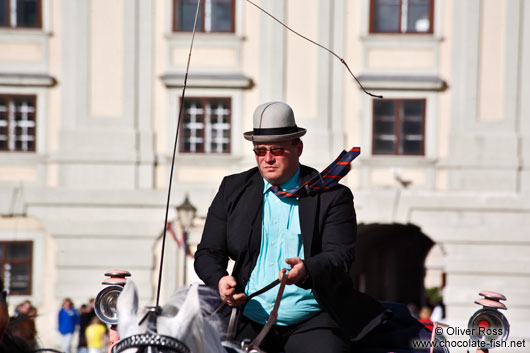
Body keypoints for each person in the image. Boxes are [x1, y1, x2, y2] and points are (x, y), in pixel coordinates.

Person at [194, 102, 387, 353]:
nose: (268, 158)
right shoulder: (232, 189)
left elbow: (340, 256)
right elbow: (208, 252)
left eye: (277, 149)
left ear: (298, 147)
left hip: (313, 318)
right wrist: (220, 280)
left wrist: (307, 269)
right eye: (260, 150)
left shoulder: (331, 195)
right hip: (248, 316)